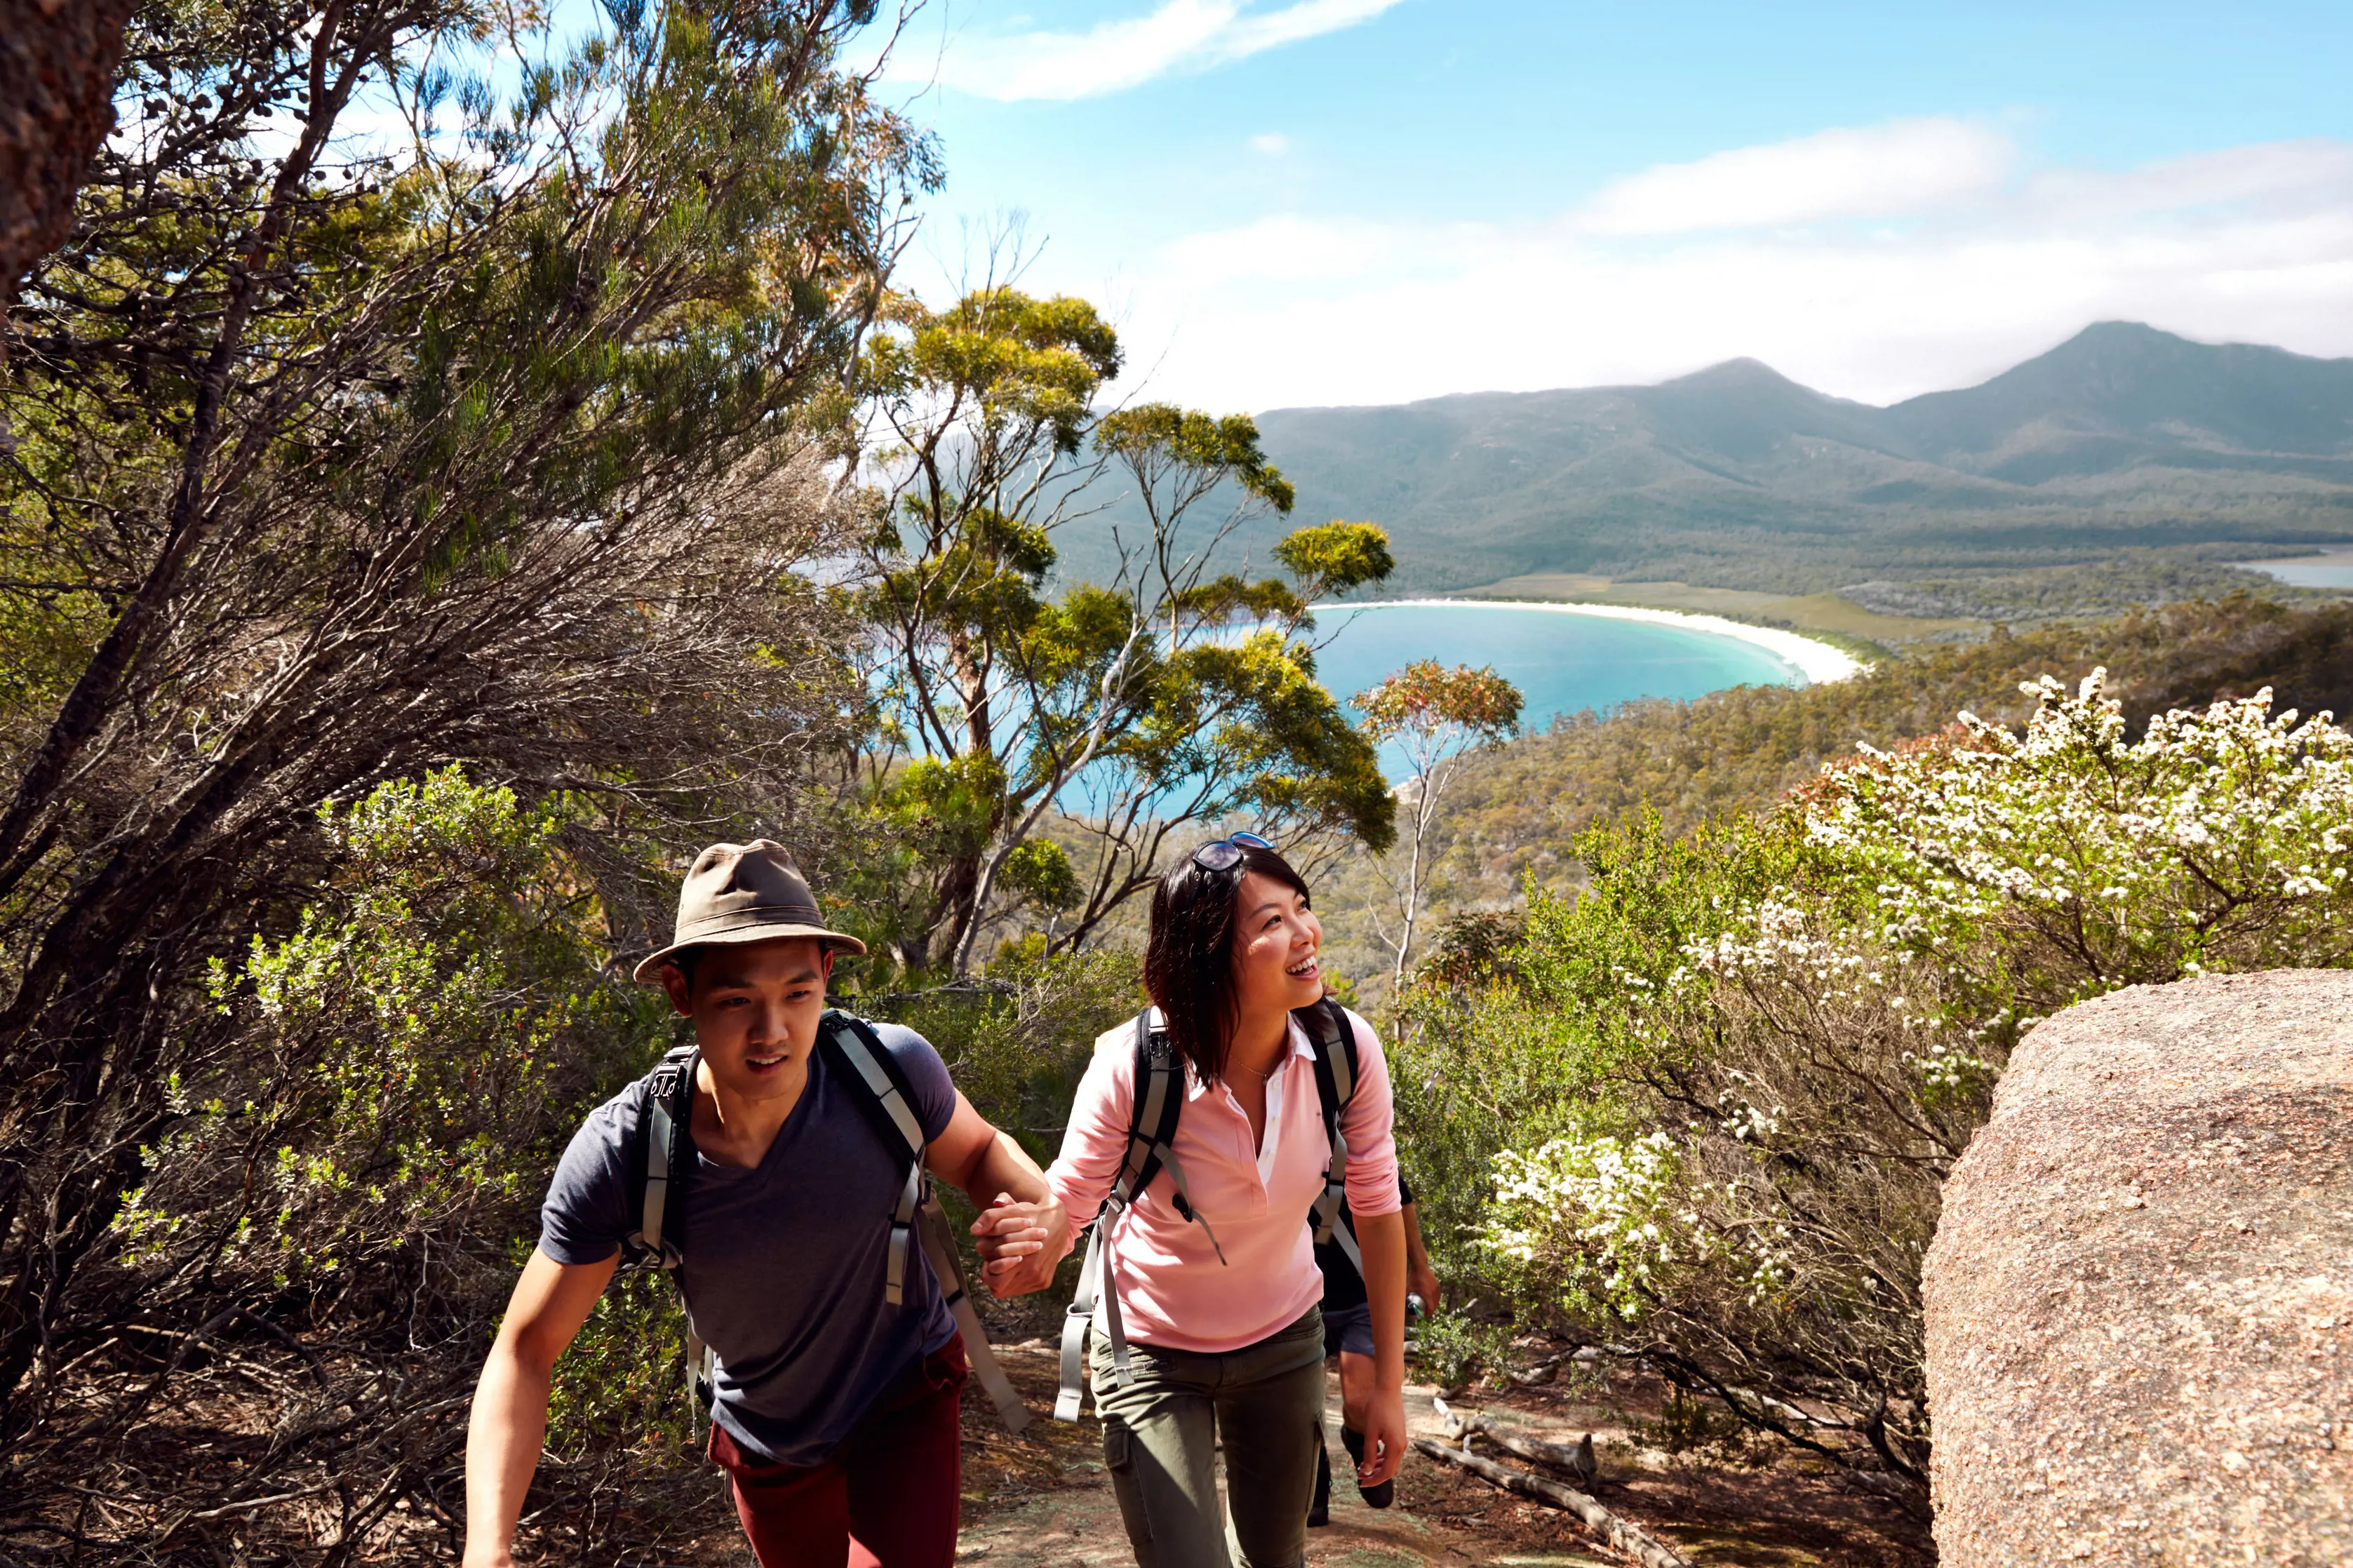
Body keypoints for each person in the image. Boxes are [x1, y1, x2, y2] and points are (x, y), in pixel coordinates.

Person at [461, 841, 1068, 1568]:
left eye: (797, 994)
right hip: (767, 1437)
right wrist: (486, 1546)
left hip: (900, 1392)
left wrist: (1048, 1217)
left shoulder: (887, 1070)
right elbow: (527, 1348)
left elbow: (977, 1153)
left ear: (828, 977)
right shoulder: (629, 1150)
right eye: (736, 1000)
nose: (772, 1032)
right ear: (682, 995)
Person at [1045, 832, 1409, 1568]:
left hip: (1282, 1341)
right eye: (1272, 922)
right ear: (1208, 956)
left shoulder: (1346, 1050)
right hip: (1150, 1347)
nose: (1306, 932)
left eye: (1301, 908)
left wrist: (1389, 1392)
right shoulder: (1132, 1065)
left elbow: (1377, 1209)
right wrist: (1031, 1241)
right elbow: (1068, 1203)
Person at [1307, 1174, 1442, 1525]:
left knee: (1360, 1404)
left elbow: (1399, 1199)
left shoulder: (1358, 1131)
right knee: (1300, 1405)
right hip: (1299, 1292)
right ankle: (1313, 1486)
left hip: (1361, 1291)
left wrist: (1420, 1267)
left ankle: (1357, 1440)